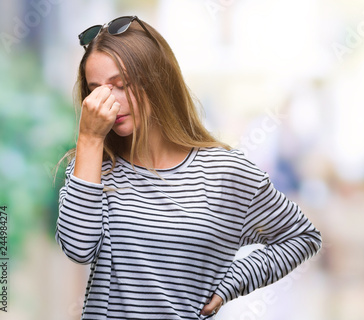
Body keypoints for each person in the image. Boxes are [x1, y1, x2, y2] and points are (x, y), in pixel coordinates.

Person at [55, 15, 322, 319]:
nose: (107, 102)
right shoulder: (93, 168)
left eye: (120, 84)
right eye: (95, 90)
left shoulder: (225, 171)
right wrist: (89, 139)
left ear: (156, 80)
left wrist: (232, 282)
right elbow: (77, 248)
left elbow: (301, 237)